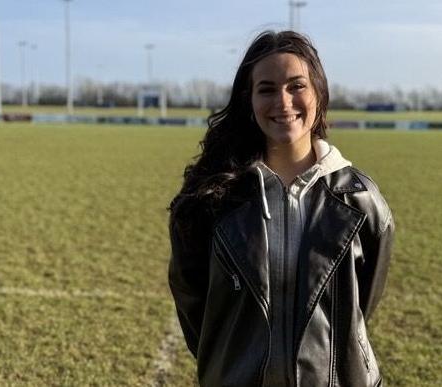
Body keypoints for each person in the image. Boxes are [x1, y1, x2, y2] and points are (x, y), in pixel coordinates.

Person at [168, 30, 394, 387]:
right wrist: (229, 365)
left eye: (296, 86)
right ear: (249, 100)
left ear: (318, 91)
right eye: (267, 89)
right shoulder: (211, 197)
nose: (283, 102)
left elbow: (361, 306)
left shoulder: (361, 199)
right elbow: (193, 301)